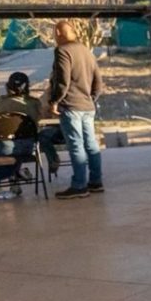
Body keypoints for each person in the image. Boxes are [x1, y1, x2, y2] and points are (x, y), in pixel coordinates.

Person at [48, 21, 104, 199]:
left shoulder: (62, 51)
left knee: (76, 145)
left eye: (53, 33)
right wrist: (91, 98)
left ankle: (79, 185)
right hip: (87, 105)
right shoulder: (86, 50)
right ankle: (96, 182)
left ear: (58, 32)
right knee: (91, 144)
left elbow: (62, 80)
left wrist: (54, 101)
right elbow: (98, 81)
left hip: (71, 105)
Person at [0, 72, 61, 174]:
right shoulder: (34, 103)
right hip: (28, 148)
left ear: (8, 86)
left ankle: (13, 174)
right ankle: (17, 173)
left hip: (1, 148)